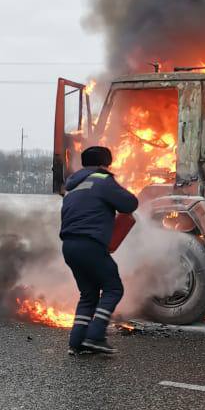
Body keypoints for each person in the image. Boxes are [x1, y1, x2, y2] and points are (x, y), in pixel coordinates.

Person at [60, 146, 137, 355]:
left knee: (89, 294)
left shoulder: (73, 187)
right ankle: (95, 336)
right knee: (114, 289)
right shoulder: (103, 180)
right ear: (104, 163)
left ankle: (77, 342)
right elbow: (130, 203)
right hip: (91, 245)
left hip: (69, 246)